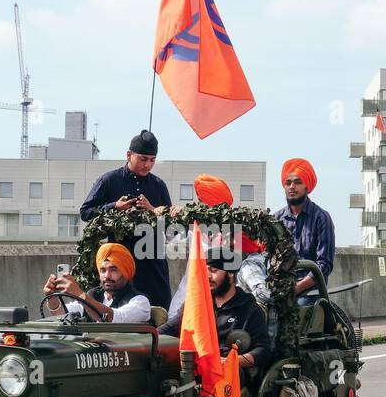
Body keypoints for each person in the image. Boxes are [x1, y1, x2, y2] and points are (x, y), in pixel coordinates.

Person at [78, 129, 172, 309]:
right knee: (121, 314)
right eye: (143, 159)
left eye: (152, 160)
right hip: (120, 264)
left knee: (159, 313)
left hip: (153, 264)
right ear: (129, 155)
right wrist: (114, 206)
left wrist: (152, 210)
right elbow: (85, 212)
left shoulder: (159, 185)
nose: (148, 165)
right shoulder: (109, 180)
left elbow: (171, 226)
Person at [167, 174, 270, 322]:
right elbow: (170, 237)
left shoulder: (233, 234)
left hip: (219, 307)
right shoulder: (193, 229)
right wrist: (174, 216)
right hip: (187, 297)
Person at [160, 246, 271, 375]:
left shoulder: (249, 309)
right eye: (205, 270)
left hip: (228, 375)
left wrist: (230, 361)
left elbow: (263, 350)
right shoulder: (196, 304)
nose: (207, 276)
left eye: (213, 270)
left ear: (230, 273)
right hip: (195, 367)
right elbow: (168, 328)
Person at [42, 243, 151, 324]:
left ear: (126, 272)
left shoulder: (140, 302)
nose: (107, 276)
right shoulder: (93, 294)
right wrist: (52, 298)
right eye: (103, 270)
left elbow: (112, 317)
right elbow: (63, 315)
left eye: (113, 270)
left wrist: (80, 295)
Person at [273, 158, 334, 303]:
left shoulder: (322, 218)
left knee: (298, 311)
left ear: (307, 186)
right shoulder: (277, 218)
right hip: (282, 287)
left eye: (297, 182)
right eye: (288, 183)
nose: (292, 187)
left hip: (311, 290)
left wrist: (296, 288)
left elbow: (325, 265)